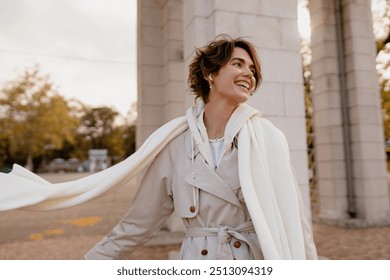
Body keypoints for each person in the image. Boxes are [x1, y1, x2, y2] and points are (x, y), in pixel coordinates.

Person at [83, 34, 318, 260]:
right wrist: (94, 262)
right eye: (238, 64)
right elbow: (141, 221)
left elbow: (295, 219)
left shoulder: (268, 137)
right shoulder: (175, 144)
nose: (249, 73)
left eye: (253, 70)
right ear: (210, 73)